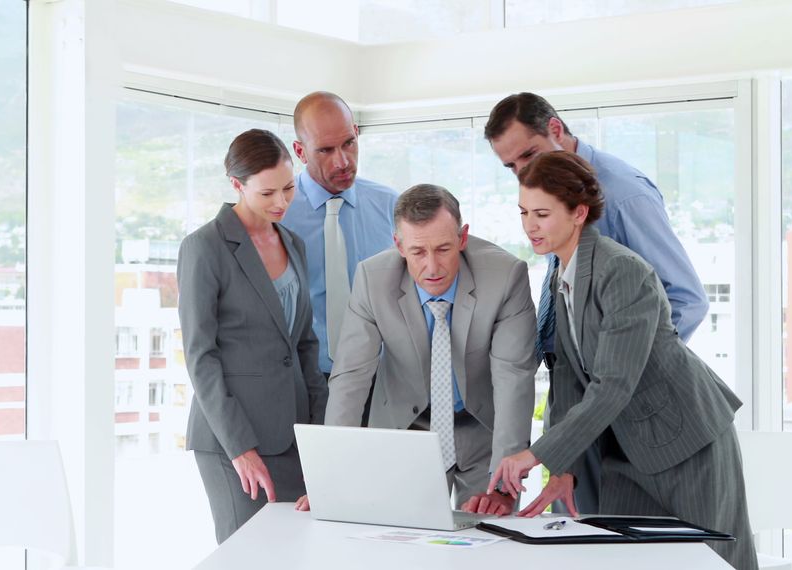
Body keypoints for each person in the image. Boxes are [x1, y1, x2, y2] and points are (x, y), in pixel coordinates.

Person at [489, 151, 755, 570]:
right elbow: (569, 379)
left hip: (687, 441)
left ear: (578, 213)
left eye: (542, 214)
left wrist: (536, 454)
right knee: (628, 561)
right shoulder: (561, 275)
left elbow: (612, 385)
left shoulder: (622, 270)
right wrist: (563, 467)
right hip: (628, 448)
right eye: (524, 212)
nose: (529, 226)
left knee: (710, 562)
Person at [485, 91, 710, 514]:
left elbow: (685, 299)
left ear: (555, 129)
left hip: (631, 407)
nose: (523, 172)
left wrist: (625, 377)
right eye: (511, 167)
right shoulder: (547, 210)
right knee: (577, 528)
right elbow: (571, 336)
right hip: (581, 401)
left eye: (528, 155)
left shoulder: (623, 194)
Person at [322, 184, 537, 515]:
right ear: (399, 246)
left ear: (463, 238)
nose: (433, 267)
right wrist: (331, 478)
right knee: (400, 536)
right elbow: (351, 376)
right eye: (418, 252)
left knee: (489, 533)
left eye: (443, 249)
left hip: (485, 428)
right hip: (408, 429)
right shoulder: (372, 279)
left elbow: (514, 377)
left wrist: (503, 484)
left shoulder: (505, 276)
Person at [177, 129, 328, 544]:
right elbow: (201, 357)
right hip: (234, 439)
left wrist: (320, 434)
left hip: (295, 434)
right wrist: (239, 448)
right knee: (247, 553)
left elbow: (304, 345)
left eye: (289, 188)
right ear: (237, 185)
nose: (281, 202)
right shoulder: (204, 247)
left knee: (297, 551)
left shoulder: (293, 243)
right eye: (267, 193)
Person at [281, 91, 399, 382]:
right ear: (300, 151)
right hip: (304, 378)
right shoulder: (279, 213)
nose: (343, 162)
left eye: (349, 143)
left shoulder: (391, 206)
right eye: (325, 150)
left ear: (356, 132)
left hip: (380, 376)